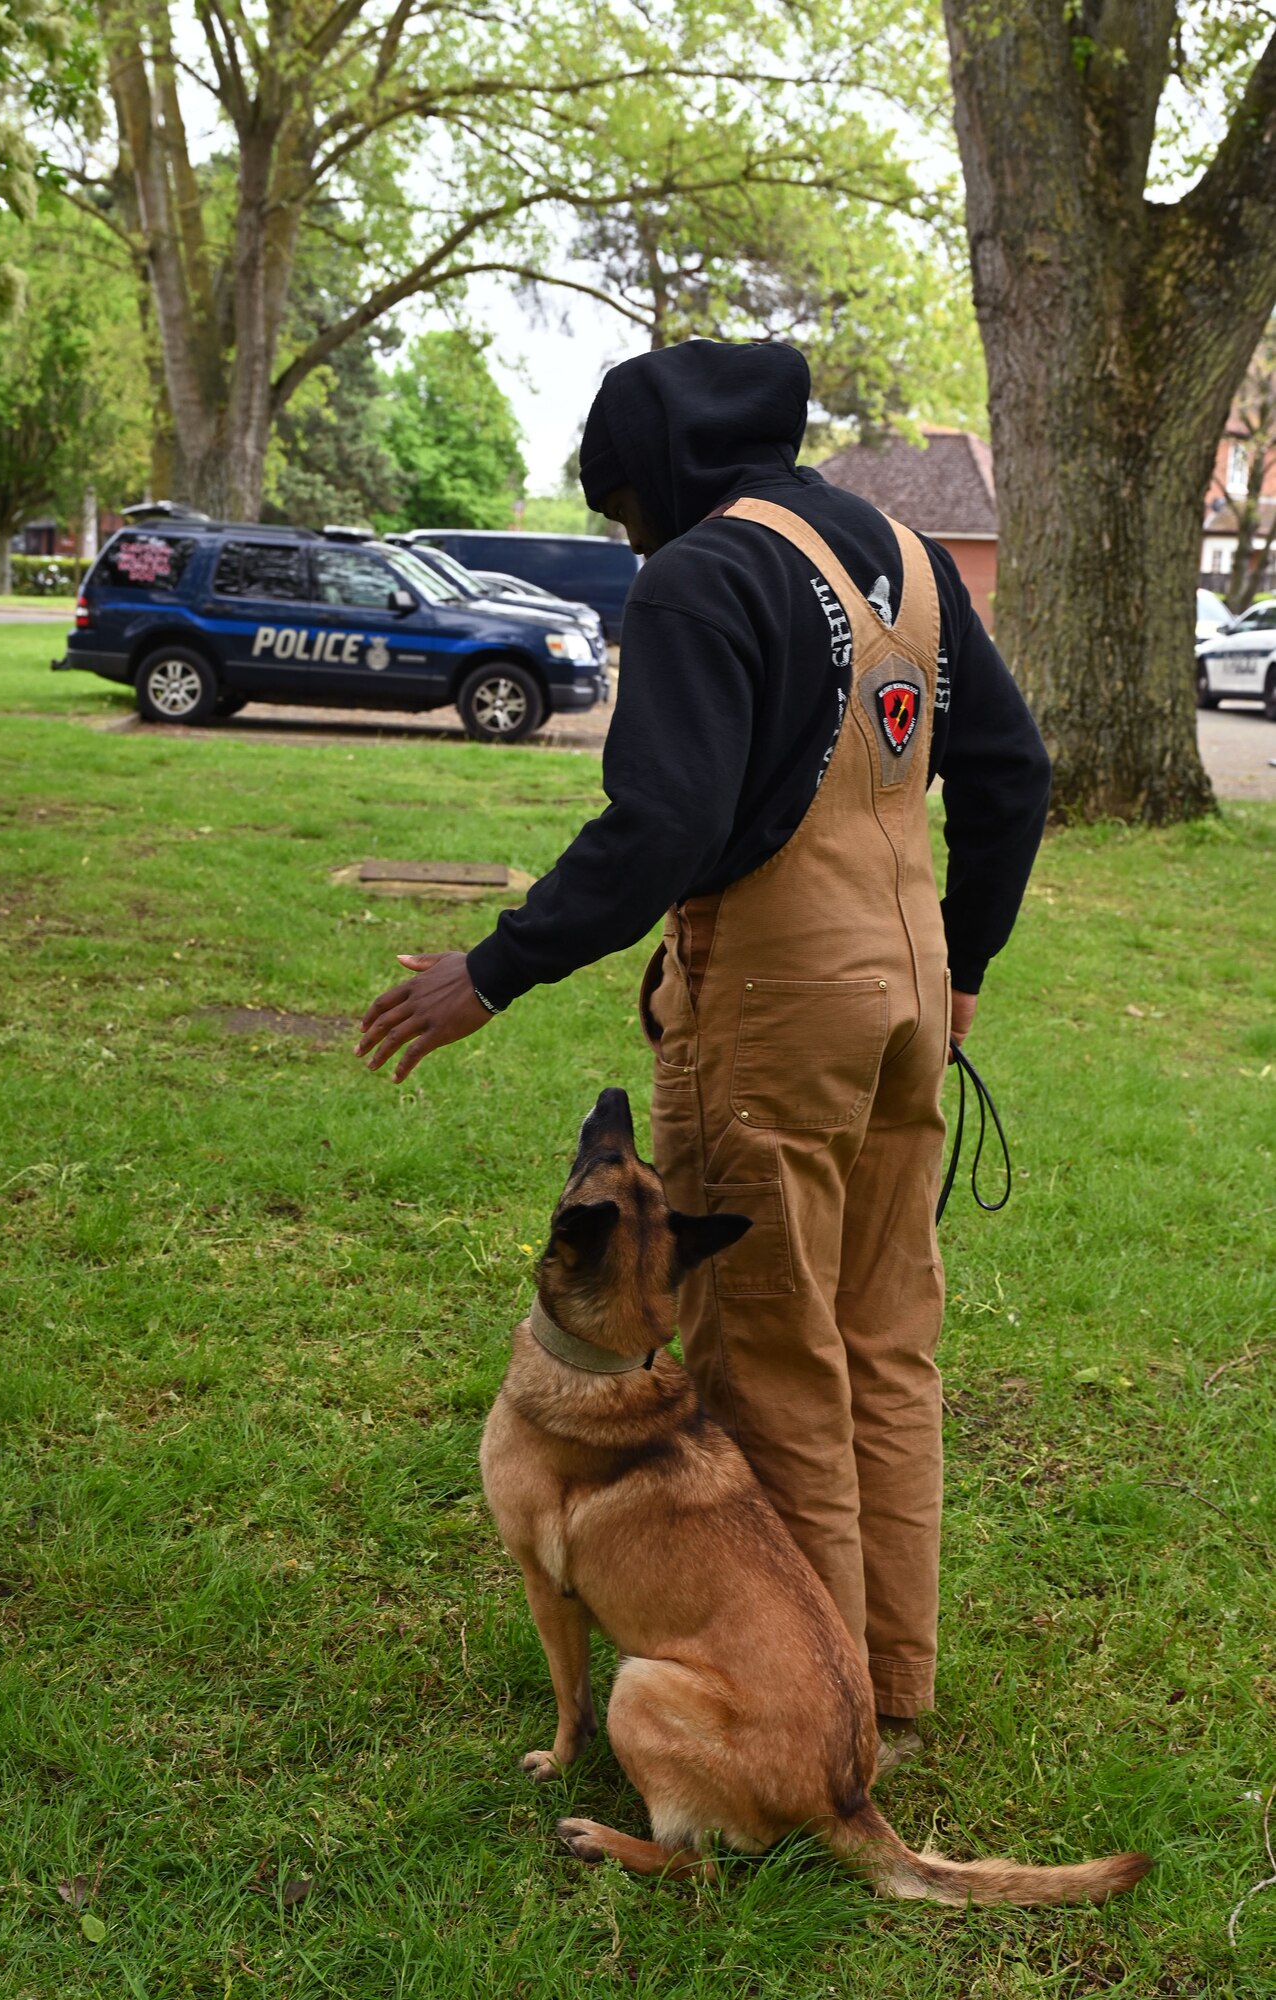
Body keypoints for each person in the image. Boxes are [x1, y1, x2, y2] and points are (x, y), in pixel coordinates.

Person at [356, 339, 1050, 1751]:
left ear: (658, 477)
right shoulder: (908, 555)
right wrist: (961, 963)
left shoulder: (700, 574)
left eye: (622, 508)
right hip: (910, 983)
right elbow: (1013, 774)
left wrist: (492, 969)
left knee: (773, 1350)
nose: (627, 536)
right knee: (886, 1341)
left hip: (777, 997)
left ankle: (816, 1711)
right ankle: (889, 1679)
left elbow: (660, 826)